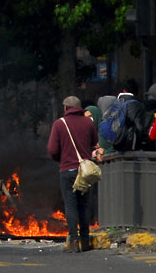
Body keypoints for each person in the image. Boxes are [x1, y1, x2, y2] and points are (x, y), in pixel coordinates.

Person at [48, 96, 100, 252]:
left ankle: (73, 242)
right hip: (84, 171)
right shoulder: (88, 123)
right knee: (83, 205)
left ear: (65, 108)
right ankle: (85, 241)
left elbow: (52, 150)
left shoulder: (59, 124)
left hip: (67, 170)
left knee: (70, 206)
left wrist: (62, 159)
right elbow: (94, 143)